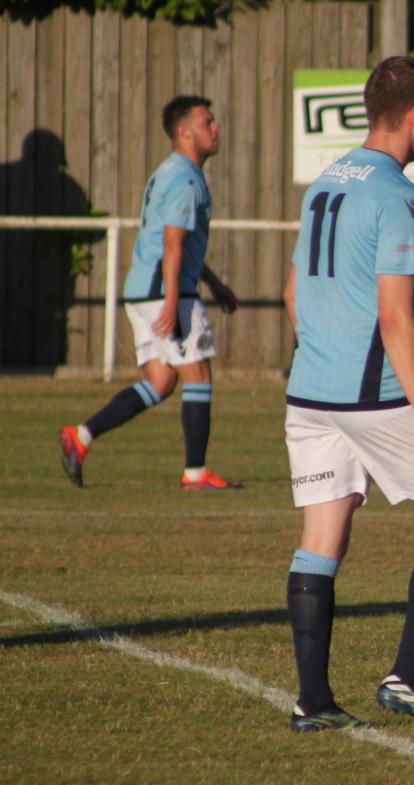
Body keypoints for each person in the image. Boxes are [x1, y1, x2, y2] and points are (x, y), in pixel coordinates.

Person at [281, 56, 414, 732]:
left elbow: (292, 292)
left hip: (310, 391)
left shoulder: (326, 180)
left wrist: (324, 358)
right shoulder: (398, 196)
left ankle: (313, 702)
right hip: (376, 393)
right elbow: (396, 318)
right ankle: (407, 675)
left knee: (320, 540)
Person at [59, 96, 240, 490]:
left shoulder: (171, 173)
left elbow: (175, 242)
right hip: (166, 293)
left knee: (161, 380)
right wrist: (173, 301)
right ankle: (195, 473)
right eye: (207, 122)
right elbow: (172, 244)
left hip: (143, 290)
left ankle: (81, 436)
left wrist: (213, 283)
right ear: (184, 132)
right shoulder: (185, 180)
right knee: (199, 374)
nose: (216, 128)